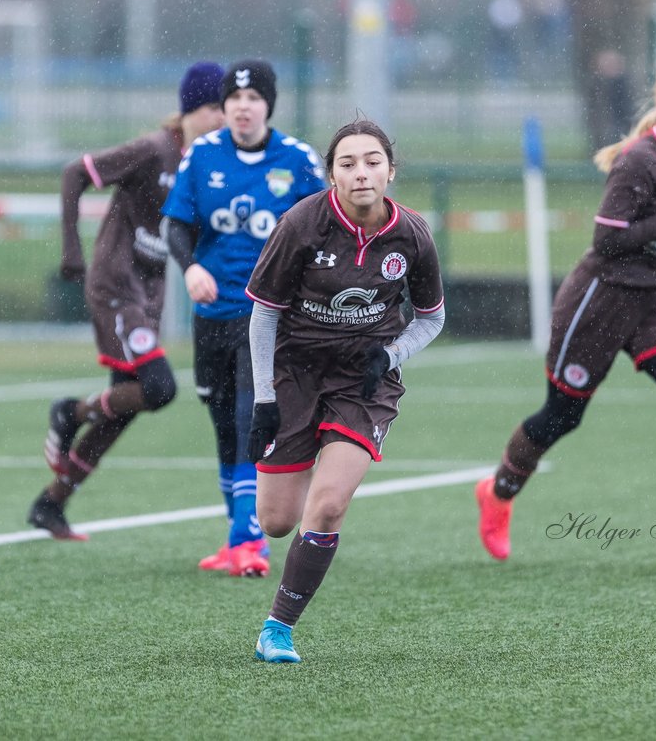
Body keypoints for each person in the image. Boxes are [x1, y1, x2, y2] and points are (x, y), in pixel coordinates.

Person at [476, 58, 656, 563]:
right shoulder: (639, 159)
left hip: (653, 301)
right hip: (601, 303)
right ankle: (498, 492)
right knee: (563, 415)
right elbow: (608, 239)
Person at [245, 118, 445, 663]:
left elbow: (431, 318)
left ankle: (278, 629)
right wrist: (265, 400)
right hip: (294, 375)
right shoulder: (302, 223)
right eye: (348, 163)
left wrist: (390, 355)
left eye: (372, 161)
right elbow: (264, 317)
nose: (362, 173)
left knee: (329, 504)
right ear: (332, 174)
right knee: (278, 521)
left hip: (363, 383)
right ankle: (303, 448)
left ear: (391, 170)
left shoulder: (413, 235)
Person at [27, 62, 226, 540]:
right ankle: (69, 412)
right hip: (117, 285)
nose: (224, 117)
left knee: (127, 404)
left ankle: (50, 504)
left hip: (148, 296)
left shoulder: (209, 166)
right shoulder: (154, 149)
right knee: (159, 388)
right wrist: (72, 249)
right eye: (215, 107)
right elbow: (76, 172)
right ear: (191, 109)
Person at [162, 59, 324, 577]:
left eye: (253, 99)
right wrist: (190, 270)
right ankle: (239, 533)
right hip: (213, 311)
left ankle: (249, 540)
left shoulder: (297, 160)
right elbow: (176, 225)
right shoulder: (202, 155)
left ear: (268, 106)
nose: (243, 107)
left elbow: (324, 232)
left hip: (269, 317)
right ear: (225, 108)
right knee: (222, 421)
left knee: (252, 413)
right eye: (234, 99)